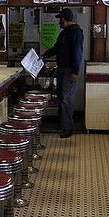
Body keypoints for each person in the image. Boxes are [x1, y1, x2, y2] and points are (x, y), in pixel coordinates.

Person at [42, 8, 84, 138]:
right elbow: (56, 48)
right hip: (62, 70)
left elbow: (77, 53)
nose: (58, 22)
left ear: (64, 19)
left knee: (66, 99)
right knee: (61, 98)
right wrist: (44, 55)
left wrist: (75, 72)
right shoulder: (64, 33)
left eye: (60, 19)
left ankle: (67, 128)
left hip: (69, 70)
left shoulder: (75, 33)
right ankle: (62, 124)